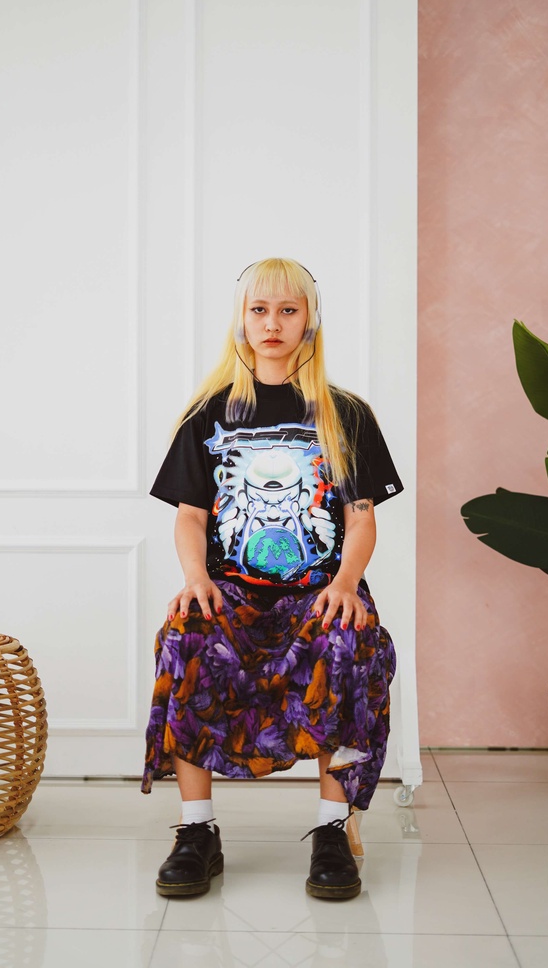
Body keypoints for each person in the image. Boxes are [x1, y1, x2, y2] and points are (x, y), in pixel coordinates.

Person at [141, 257, 404, 901]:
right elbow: (191, 515)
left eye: (288, 310)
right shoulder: (209, 413)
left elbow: (361, 517)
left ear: (310, 320)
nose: (273, 323)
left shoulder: (345, 414)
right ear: (242, 320)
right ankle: (196, 830)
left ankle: (332, 829)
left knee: (347, 640)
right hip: (231, 590)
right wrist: (195, 577)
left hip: (320, 590)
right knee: (184, 633)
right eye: (259, 310)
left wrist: (346, 583)